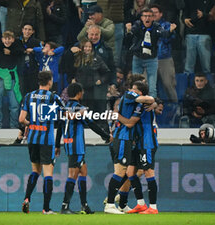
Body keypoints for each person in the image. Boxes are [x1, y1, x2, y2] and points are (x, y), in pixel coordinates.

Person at [56, 82, 112, 214]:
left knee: (83, 171)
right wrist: (106, 136)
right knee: (73, 174)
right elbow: (92, 124)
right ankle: (65, 206)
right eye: (82, 91)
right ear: (79, 93)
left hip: (68, 143)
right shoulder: (79, 108)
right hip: (77, 145)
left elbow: (59, 127)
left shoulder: (64, 108)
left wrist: (57, 145)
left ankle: (84, 205)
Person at [104, 80, 154, 214]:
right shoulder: (129, 95)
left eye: (135, 89)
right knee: (120, 171)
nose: (132, 90)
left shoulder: (137, 104)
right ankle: (109, 204)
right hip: (122, 138)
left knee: (127, 171)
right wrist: (151, 100)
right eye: (132, 88)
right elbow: (148, 99)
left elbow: (149, 101)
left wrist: (153, 103)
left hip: (127, 139)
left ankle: (122, 204)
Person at [19, 71, 65, 215]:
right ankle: (46, 208)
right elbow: (64, 115)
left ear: (39, 82)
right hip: (47, 139)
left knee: (35, 171)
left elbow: (21, 119)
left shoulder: (29, 96)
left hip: (32, 138)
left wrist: (30, 124)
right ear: (50, 81)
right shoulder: (53, 97)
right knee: (48, 173)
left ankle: (27, 198)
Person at [119, 82, 160, 214]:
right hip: (138, 143)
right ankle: (141, 204)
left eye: (134, 89)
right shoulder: (138, 103)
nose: (131, 90)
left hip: (147, 142)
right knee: (131, 172)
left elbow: (131, 123)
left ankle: (153, 207)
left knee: (148, 172)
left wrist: (116, 115)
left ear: (141, 93)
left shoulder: (144, 104)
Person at [124, 8, 176, 98]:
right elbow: (131, 34)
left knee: (152, 88)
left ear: (153, 18)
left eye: (149, 16)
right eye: (145, 16)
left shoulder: (156, 26)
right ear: (141, 18)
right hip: (138, 58)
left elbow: (164, 34)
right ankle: (135, 105)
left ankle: (152, 108)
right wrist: (128, 30)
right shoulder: (137, 25)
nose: (147, 18)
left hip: (151, 59)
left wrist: (170, 30)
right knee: (135, 85)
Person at [0, 30, 24, 129]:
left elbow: (21, 51)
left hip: (11, 77)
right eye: (5, 39)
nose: (7, 41)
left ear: (13, 39)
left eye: (9, 39)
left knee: (14, 105)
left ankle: (14, 126)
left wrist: (11, 52)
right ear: (2, 39)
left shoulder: (17, 47)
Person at [70, 39, 110, 114]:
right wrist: (72, 79)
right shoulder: (77, 57)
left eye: (89, 47)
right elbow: (70, 70)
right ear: (82, 47)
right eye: (85, 46)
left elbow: (107, 72)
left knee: (90, 111)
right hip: (79, 89)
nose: (87, 48)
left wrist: (101, 80)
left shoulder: (97, 58)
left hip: (92, 90)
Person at [150, 4, 178, 103]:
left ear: (161, 14)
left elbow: (171, 38)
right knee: (147, 85)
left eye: (155, 12)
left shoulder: (167, 25)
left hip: (164, 58)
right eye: (151, 12)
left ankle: (176, 107)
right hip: (148, 59)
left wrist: (169, 32)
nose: (153, 14)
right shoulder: (144, 25)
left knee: (168, 84)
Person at [183, 0, 214, 74]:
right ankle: (188, 85)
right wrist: (185, 19)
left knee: (206, 65)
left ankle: (208, 84)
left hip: (205, 33)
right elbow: (184, 12)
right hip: (190, 33)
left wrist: (204, 15)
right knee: (188, 66)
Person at [19, 23, 41, 96]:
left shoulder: (36, 42)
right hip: (21, 71)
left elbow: (43, 50)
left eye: (29, 30)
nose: (27, 32)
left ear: (33, 32)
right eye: (25, 29)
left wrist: (33, 50)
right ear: (22, 30)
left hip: (33, 71)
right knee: (22, 92)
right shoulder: (18, 41)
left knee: (33, 92)